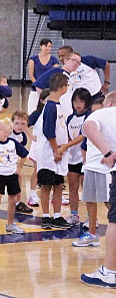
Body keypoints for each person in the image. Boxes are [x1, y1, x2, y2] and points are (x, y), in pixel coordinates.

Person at [79, 91, 116, 288]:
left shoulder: (106, 112)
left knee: (115, 221)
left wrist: (108, 152)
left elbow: (88, 126)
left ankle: (109, 272)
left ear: (108, 102)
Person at [73, 90, 113, 248]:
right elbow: (85, 145)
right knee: (89, 199)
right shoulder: (91, 124)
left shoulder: (109, 123)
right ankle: (92, 234)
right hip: (91, 166)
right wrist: (85, 160)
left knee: (109, 202)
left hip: (105, 169)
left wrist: (109, 154)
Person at [34, 73, 73, 230]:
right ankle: (45, 216)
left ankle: (56, 216)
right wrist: (56, 150)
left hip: (58, 152)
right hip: (50, 153)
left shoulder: (57, 105)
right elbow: (49, 131)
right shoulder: (50, 107)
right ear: (63, 87)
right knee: (46, 185)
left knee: (58, 185)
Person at [62, 88, 92, 226]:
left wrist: (66, 146)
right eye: (75, 101)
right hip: (72, 158)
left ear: (87, 102)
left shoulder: (89, 117)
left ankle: (91, 218)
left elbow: (82, 137)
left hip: (85, 158)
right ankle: (74, 215)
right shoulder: (70, 118)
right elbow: (68, 136)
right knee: (72, 188)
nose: (78, 104)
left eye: (81, 101)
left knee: (86, 189)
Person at [32, 51, 82, 117]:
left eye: (78, 62)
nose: (75, 64)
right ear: (66, 60)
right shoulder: (56, 71)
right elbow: (39, 85)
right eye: (73, 60)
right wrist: (48, 103)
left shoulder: (72, 77)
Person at [26, 88, 51, 207]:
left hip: (50, 145)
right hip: (39, 145)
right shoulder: (37, 113)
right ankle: (32, 194)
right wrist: (31, 136)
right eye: (48, 99)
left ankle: (53, 196)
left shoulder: (56, 111)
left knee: (51, 171)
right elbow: (25, 124)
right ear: (42, 100)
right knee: (37, 170)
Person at [26, 38, 59, 113]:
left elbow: (55, 74)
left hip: (48, 90)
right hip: (36, 90)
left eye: (49, 46)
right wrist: (38, 85)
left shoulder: (54, 60)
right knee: (32, 111)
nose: (47, 48)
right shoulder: (33, 59)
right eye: (45, 45)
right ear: (40, 46)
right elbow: (31, 75)